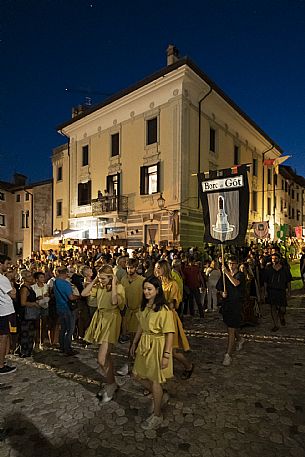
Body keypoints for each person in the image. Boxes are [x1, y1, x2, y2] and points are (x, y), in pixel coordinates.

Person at [131, 276, 175, 430]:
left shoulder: (164, 309)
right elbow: (141, 326)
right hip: (144, 344)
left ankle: (157, 415)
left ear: (157, 290)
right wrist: (135, 343)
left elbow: (170, 333)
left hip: (157, 345)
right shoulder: (144, 306)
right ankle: (159, 395)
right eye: (145, 289)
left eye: (149, 289)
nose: (146, 292)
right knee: (136, 374)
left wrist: (166, 355)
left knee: (156, 380)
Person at [82, 265, 125, 403]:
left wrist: (113, 284)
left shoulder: (119, 288)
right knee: (106, 356)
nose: (101, 281)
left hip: (111, 320)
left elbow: (114, 301)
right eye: (99, 278)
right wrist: (95, 280)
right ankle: (111, 382)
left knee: (101, 359)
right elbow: (84, 294)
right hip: (100, 318)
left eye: (103, 278)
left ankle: (111, 383)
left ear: (111, 277)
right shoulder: (99, 285)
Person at [154, 260, 194, 379]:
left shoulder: (173, 284)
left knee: (172, 350)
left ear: (164, 269)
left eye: (158, 268)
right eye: (156, 268)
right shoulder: (157, 283)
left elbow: (172, 304)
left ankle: (189, 366)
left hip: (169, 318)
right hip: (158, 317)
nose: (156, 270)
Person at [216, 256, 246, 366]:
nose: (231, 266)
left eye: (233, 264)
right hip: (227, 304)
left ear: (237, 264)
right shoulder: (225, 276)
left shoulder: (240, 275)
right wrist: (221, 294)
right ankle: (240, 338)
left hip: (236, 305)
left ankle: (228, 355)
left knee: (231, 329)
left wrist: (227, 273)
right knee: (231, 327)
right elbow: (219, 288)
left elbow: (236, 283)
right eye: (229, 264)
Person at [118, 258, 144, 375]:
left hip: (138, 313)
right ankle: (133, 363)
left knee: (135, 339)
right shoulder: (123, 279)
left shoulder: (142, 281)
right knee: (131, 338)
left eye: (132, 267)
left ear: (136, 268)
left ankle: (130, 364)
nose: (130, 270)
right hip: (128, 312)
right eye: (128, 268)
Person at [53, 267, 79, 356]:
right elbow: (71, 297)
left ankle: (62, 346)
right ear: (65, 273)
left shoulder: (55, 282)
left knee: (63, 328)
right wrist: (78, 296)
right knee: (70, 329)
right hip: (67, 308)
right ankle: (67, 348)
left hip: (59, 307)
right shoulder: (66, 284)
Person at [264, 252, 292, 331]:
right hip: (272, 290)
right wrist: (265, 291)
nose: (274, 260)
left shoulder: (284, 269)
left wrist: (289, 291)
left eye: (275, 258)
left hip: (281, 290)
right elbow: (265, 281)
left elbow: (288, 281)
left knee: (282, 309)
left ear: (279, 259)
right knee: (273, 308)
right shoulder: (268, 269)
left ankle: (281, 316)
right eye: (272, 258)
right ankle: (276, 325)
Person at [0, 255, 17, 374]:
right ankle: (1, 365)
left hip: (2, 310)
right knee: (3, 338)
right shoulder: (2, 279)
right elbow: (13, 294)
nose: (9, 266)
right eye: (7, 264)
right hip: (5, 311)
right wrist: (11, 284)